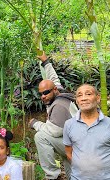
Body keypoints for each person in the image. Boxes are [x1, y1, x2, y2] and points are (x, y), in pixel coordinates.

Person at [29, 51, 78, 179]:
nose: (43, 96)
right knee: (73, 175)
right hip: (72, 142)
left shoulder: (60, 106)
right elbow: (53, 78)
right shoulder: (59, 92)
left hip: (76, 146)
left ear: (54, 90)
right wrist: (45, 61)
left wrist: (35, 124)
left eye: (46, 92)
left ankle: (52, 176)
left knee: (41, 137)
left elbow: (53, 131)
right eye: (41, 93)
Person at [63, 84, 110, 179]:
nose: (83, 98)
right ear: (76, 101)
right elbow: (69, 153)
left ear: (98, 98)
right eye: (79, 95)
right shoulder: (69, 125)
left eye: (88, 94)